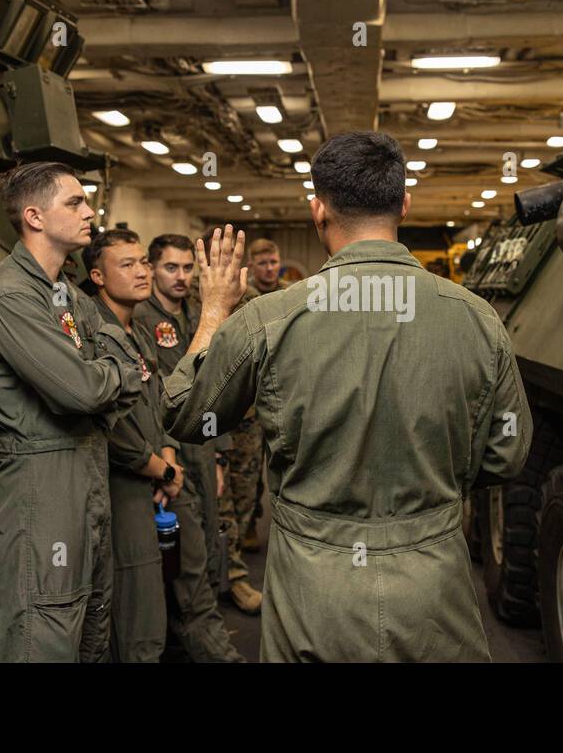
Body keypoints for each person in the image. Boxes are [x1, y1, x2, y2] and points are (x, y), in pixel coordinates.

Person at [163, 131, 533, 662]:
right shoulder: (477, 318)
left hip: (314, 594)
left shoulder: (269, 320)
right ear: (404, 204)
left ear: (318, 210)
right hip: (432, 588)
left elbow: (183, 415)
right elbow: (507, 453)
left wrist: (215, 314)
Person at [0, 162, 142, 662]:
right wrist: (108, 375)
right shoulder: (7, 298)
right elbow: (84, 392)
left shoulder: (65, 296)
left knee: (89, 630)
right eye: (75, 203)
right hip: (40, 488)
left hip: (86, 472)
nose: (90, 213)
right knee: (41, 633)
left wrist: (107, 376)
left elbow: (125, 372)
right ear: (35, 217)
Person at [83, 229, 242, 663]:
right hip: (140, 475)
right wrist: (163, 468)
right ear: (98, 275)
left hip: (176, 460)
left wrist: (176, 459)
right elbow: (111, 420)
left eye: (187, 268)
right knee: (141, 596)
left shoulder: (149, 325)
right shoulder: (110, 326)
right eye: (166, 266)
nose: (147, 273)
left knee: (193, 562)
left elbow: (182, 395)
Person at [136, 235, 257, 614]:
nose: (181, 276)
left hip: (203, 438)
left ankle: (219, 589)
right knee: (175, 537)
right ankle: (187, 620)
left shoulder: (198, 312)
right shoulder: (141, 317)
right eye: (171, 267)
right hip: (166, 440)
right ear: (153, 268)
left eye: (189, 268)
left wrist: (220, 455)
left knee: (213, 521)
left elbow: (214, 385)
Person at [221, 238, 288, 571]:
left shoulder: (290, 294)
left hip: (282, 397)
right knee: (244, 474)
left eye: (273, 262)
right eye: (262, 263)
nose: (269, 268)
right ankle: (241, 533)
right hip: (246, 405)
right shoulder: (240, 297)